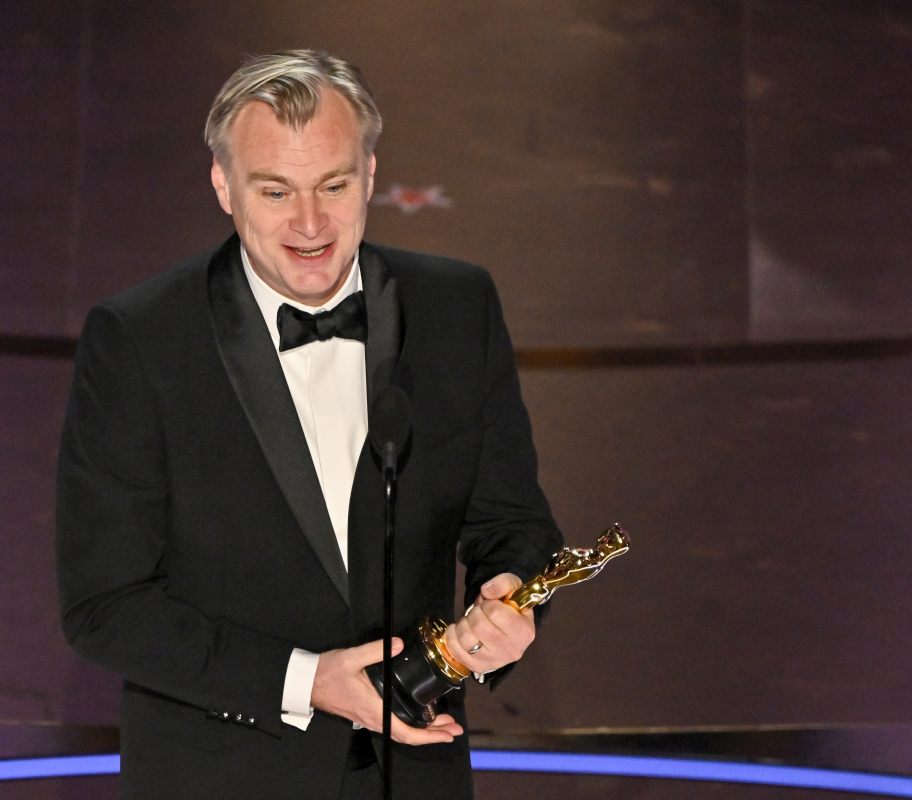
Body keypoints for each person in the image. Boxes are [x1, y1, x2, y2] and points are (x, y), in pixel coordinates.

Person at [56, 49, 563, 800]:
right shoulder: (140, 340)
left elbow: (512, 521)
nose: (310, 224)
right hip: (223, 778)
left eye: (334, 185)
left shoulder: (457, 307)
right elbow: (105, 606)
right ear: (224, 186)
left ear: (370, 173)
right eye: (275, 191)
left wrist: (510, 597)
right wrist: (307, 681)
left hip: (412, 772)